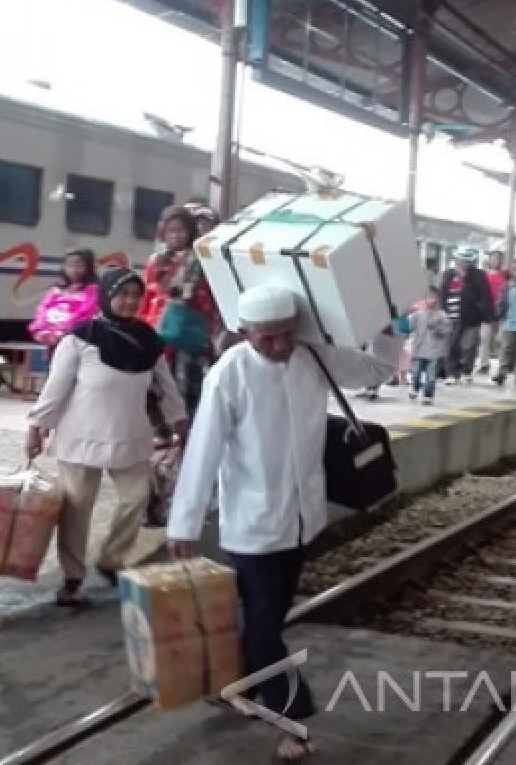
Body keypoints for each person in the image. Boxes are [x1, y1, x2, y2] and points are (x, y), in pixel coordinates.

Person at [166, 284, 402, 764]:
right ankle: (291, 716)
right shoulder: (229, 374)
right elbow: (204, 450)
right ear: (244, 332)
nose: (278, 347)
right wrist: (184, 522)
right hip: (252, 523)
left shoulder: (312, 356)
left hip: (302, 518)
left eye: (286, 335)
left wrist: (384, 324)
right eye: (266, 339)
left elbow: (378, 369)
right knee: (264, 626)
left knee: (268, 617)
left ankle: (238, 684)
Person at [26, 268, 188, 606]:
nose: (129, 301)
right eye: (122, 294)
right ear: (106, 296)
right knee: (76, 509)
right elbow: (55, 389)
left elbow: (166, 388)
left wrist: (180, 422)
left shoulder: (149, 341)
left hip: (130, 436)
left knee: (137, 499)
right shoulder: (79, 338)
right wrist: (36, 427)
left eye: (135, 295)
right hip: (81, 437)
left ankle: (112, 558)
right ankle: (72, 578)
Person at [139, 206, 220, 418]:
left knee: (188, 384)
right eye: (170, 230)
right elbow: (147, 296)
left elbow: (210, 297)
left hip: (188, 331)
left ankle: (187, 431)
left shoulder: (201, 260)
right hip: (157, 330)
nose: (175, 235)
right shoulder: (156, 261)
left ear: (190, 231)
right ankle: (163, 429)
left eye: (181, 230)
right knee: (156, 383)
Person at [439, 251, 493, 385]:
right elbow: (442, 294)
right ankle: (451, 373)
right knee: (451, 346)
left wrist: (486, 314)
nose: (464, 264)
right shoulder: (448, 274)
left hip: (471, 318)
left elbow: (485, 296)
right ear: (456, 260)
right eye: (461, 261)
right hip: (451, 316)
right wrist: (441, 312)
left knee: (469, 346)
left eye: (468, 261)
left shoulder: (478, 275)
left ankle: (466, 371)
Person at [27, 249, 99, 347]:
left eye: (80, 266)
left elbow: (86, 314)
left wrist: (61, 331)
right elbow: (42, 309)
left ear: (88, 268)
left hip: (74, 341)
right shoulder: (56, 290)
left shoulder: (93, 290)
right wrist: (42, 330)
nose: (74, 270)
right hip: (50, 339)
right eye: (70, 266)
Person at [409, 287, 452, 405]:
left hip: (434, 351)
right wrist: (411, 316)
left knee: (431, 375)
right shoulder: (418, 314)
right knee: (416, 372)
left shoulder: (442, 315)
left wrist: (436, 327)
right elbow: (411, 327)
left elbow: (447, 330)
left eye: (433, 298)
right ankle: (415, 387)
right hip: (419, 348)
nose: (431, 300)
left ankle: (428, 395)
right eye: (428, 297)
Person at [482, 250, 508, 366]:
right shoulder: (484, 275)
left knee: (501, 339)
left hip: (502, 312)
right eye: (493, 258)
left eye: (498, 258)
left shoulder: (506, 275)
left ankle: (502, 364)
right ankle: (484, 363)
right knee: (485, 338)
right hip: (487, 311)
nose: (495, 261)